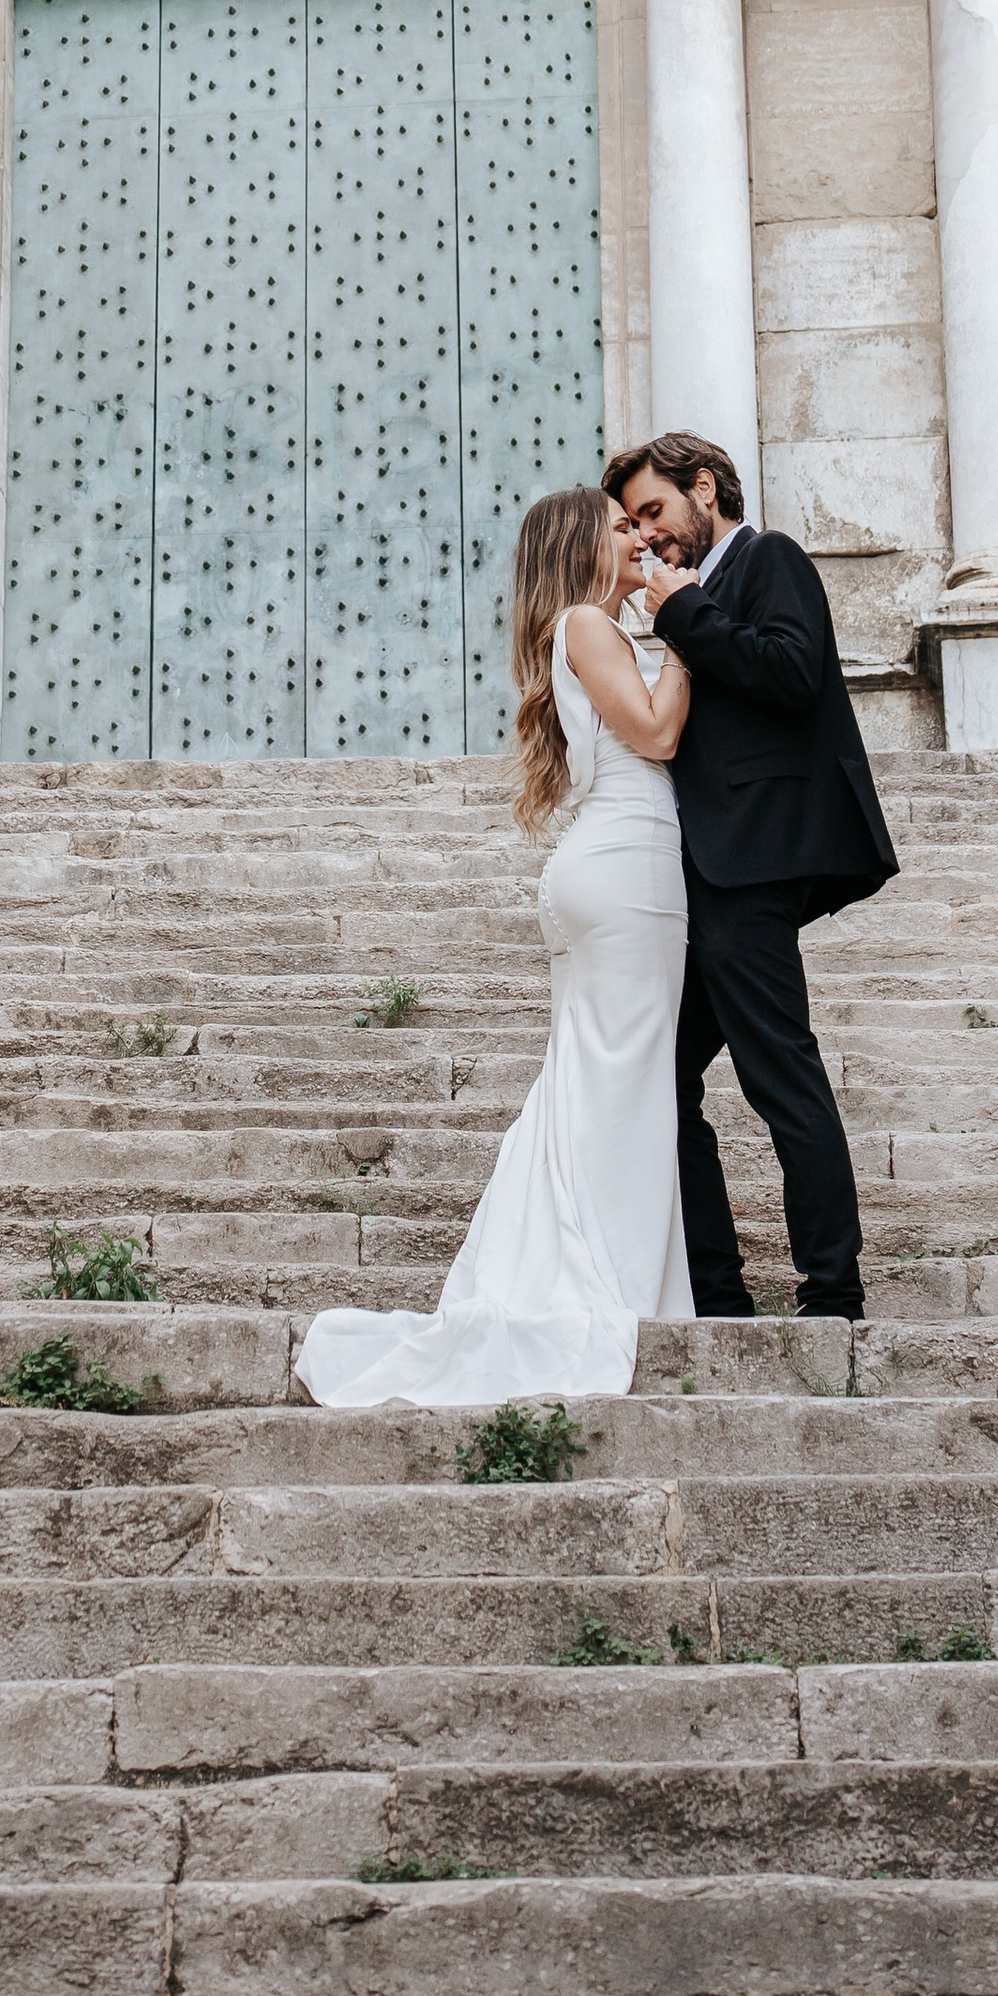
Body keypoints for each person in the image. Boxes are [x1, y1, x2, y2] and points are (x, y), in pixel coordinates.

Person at [297, 485, 691, 1408]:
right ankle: (621, 1290)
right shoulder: (592, 628)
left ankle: (592, 1273)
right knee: (626, 1088)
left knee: (590, 1089)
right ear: (584, 543)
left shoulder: (586, 630)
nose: (638, 534)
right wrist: (683, 634)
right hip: (628, 871)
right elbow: (660, 732)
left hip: (608, 871)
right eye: (621, 524)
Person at [607, 429, 896, 1324]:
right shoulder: (693, 592)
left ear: (706, 487)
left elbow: (790, 669)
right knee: (661, 1078)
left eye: (655, 510)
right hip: (708, 870)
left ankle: (834, 1293)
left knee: (782, 1075)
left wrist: (682, 613)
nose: (648, 536)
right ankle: (718, 1292)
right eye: (634, 523)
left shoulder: (768, 558)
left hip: (756, 861)